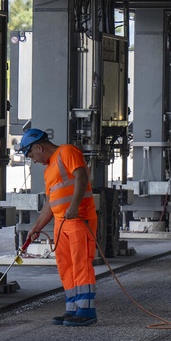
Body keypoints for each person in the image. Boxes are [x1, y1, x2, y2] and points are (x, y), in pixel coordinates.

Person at [20, 128, 99, 327]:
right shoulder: (49, 170)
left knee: (80, 263)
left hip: (79, 219)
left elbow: (81, 176)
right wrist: (37, 226)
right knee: (66, 266)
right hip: (61, 223)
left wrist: (74, 206)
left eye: (31, 155)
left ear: (38, 146)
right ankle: (73, 308)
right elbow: (50, 203)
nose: (34, 160)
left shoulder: (67, 152)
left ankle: (87, 310)